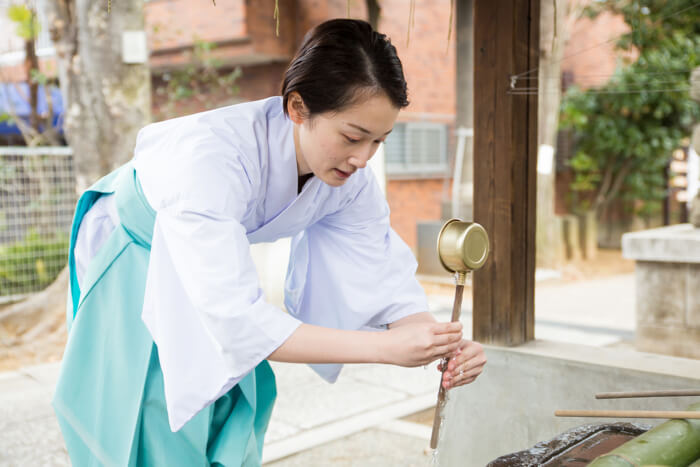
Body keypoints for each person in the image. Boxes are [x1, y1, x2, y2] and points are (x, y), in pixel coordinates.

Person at [53, 18, 487, 466]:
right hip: (136, 253)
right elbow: (239, 323)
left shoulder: (350, 177)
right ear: (297, 107)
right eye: (353, 137)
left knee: (236, 408)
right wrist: (382, 349)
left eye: (379, 141)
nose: (363, 159)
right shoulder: (211, 158)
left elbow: (382, 276)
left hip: (212, 264)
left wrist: (440, 341)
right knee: (149, 415)